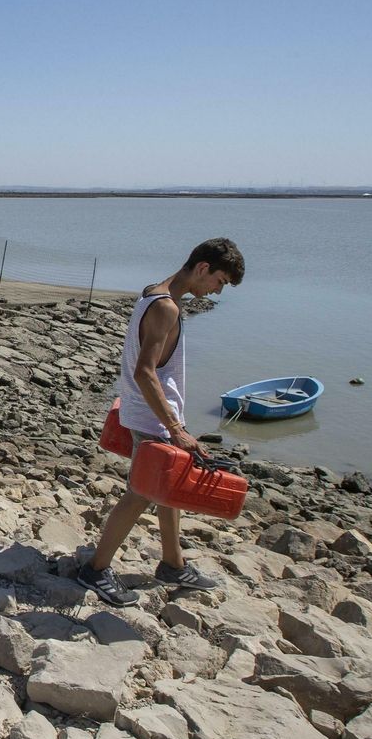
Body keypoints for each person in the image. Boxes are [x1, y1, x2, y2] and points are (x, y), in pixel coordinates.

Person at [76, 238, 245, 607]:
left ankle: (173, 562)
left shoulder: (154, 292)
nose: (216, 292)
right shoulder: (166, 308)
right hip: (154, 417)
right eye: (219, 282)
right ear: (203, 268)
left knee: (170, 487)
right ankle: (95, 569)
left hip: (152, 413)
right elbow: (145, 372)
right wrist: (176, 429)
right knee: (140, 494)